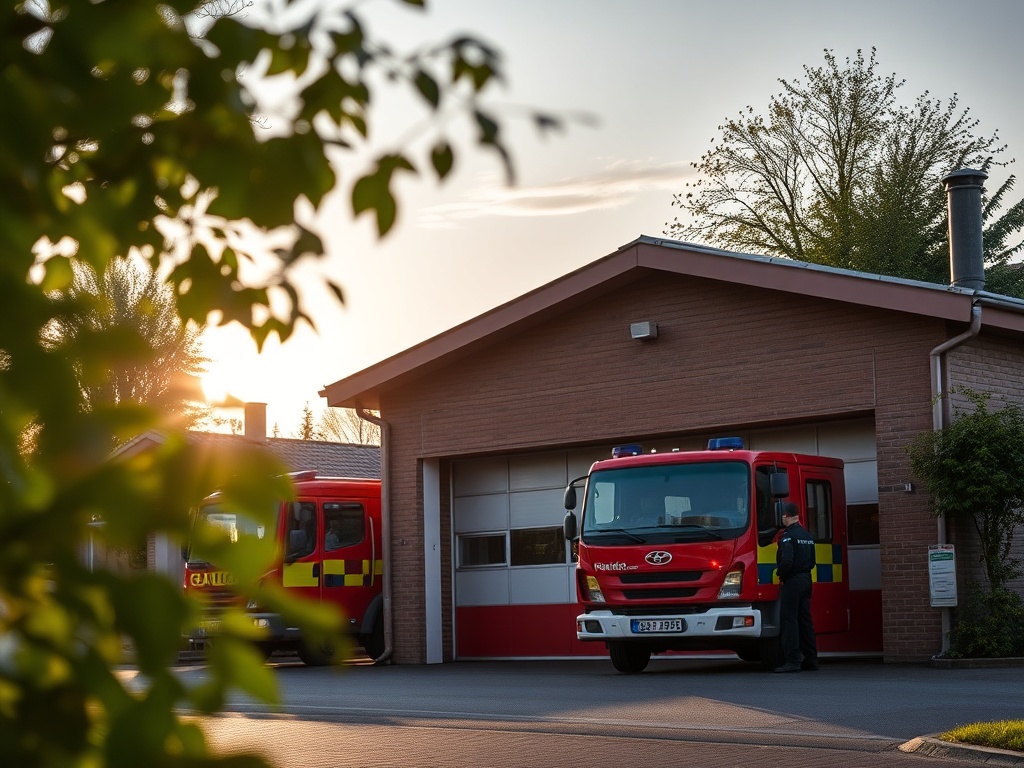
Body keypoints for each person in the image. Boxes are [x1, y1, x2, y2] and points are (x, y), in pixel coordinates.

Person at [774, 502, 818, 673]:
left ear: (786, 515)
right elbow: (812, 562)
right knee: (805, 620)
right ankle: (811, 659)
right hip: (806, 579)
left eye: (783, 516)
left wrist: (781, 575)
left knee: (789, 619)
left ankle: (792, 660)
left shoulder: (787, 536)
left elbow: (786, 560)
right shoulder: (807, 536)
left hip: (792, 581)